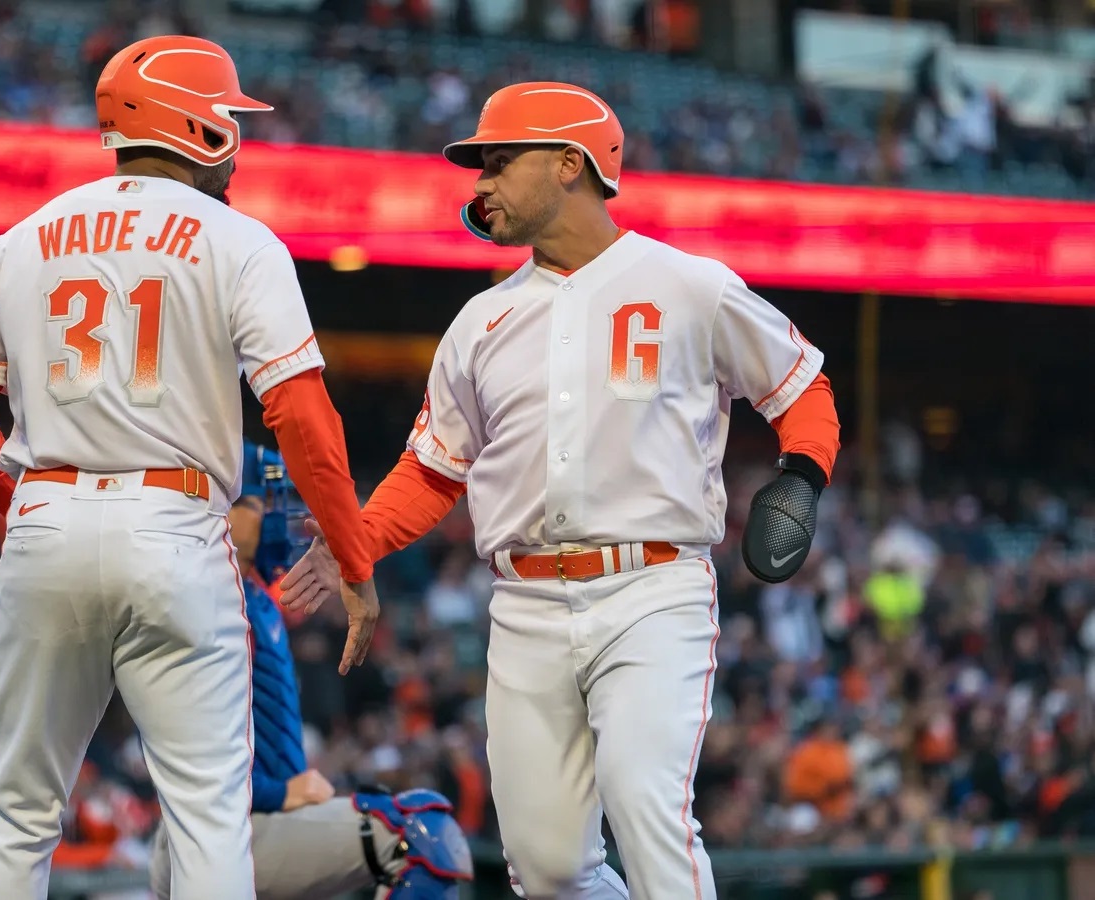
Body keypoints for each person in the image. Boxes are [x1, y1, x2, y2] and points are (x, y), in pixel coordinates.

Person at [278, 81, 842, 899]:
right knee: (546, 870)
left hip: (652, 589)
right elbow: (434, 470)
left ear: (570, 164)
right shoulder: (480, 322)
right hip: (526, 606)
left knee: (648, 810)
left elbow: (803, 388)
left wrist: (802, 476)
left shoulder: (688, 284)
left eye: (499, 163)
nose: (479, 185)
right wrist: (351, 541)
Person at [0, 36, 381, 900]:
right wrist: (355, 562)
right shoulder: (238, 240)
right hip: (174, 528)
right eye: (230, 119)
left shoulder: (23, 238)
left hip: (47, 523)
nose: (238, 138)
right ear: (197, 125)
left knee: (15, 813)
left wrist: (16, 499)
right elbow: (301, 416)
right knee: (208, 813)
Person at [148, 441, 475, 900]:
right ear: (219, 509)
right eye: (258, 503)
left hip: (252, 823)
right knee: (424, 835)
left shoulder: (252, 598)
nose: (275, 517)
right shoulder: (206, 600)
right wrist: (278, 795)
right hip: (215, 835)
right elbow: (188, 753)